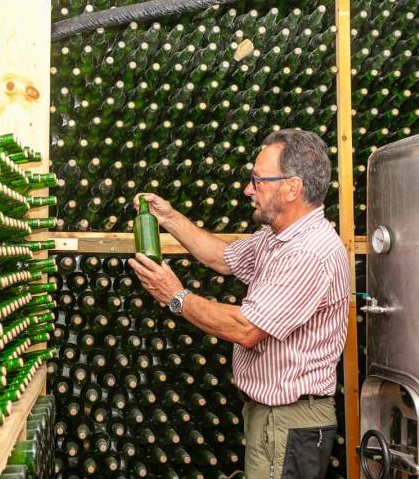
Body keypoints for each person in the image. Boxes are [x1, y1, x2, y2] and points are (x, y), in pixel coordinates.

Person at [128, 129, 350, 479]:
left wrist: (174, 295)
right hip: (273, 417)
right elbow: (222, 257)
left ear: (292, 188)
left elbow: (246, 329)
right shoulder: (277, 237)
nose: (248, 189)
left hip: (290, 421)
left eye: (258, 180)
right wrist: (168, 218)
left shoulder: (309, 252)